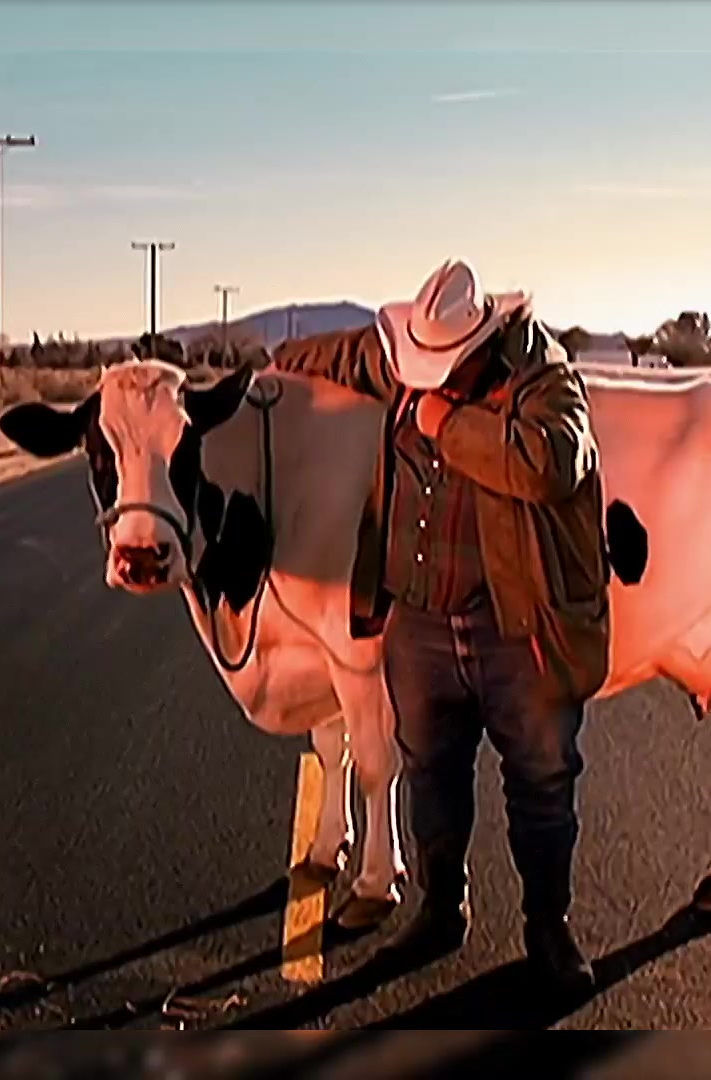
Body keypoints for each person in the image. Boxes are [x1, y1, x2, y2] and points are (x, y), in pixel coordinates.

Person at [271, 258, 610, 992]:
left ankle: (548, 929)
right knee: (431, 772)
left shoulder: (543, 377)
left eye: (445, 371)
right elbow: (345, 354)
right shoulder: (407, 363)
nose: (429, 383)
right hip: (420, 622)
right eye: (421, 369)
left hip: (516, 627)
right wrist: (276, 363)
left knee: (542, 778)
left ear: (482, 343)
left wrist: (447, 426)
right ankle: (440, 907)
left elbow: (552, 463)